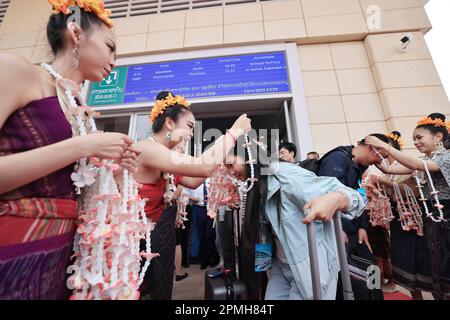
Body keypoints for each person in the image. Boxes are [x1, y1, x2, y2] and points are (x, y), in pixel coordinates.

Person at [0, 1, 138, 300]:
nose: (115, 60)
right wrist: (84, 146)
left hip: (62, 255)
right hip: (14, 245)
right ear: (76, 33)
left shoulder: (79, 113)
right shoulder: (18, 71)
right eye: (110, 47)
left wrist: (109, 165)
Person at [133, 91, 251, 300]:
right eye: (189, 126)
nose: (190, 133)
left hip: (152, 238)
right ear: (169, 123)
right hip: (132, 241)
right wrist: (233, 132)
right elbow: (202, 166)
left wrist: (224, 163)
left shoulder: (167, 158)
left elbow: (195, 179)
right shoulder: (147, 148)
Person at [226, 154, 365, 300]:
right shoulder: (255, 183)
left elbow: (354, 198)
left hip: (308, 267)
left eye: (231, 165)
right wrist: (264, 269)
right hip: (280, 267)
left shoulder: (285, 174)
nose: (231, 173)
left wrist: (336, 199)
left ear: (248, 155)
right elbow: (264, 230)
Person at [366, 113, 450, 300]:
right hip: (431, 215)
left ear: (438, 137)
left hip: (445, 214)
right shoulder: (428, 158)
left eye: (419, 137)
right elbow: (389, 169)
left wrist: (385, 145)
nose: (416, 142)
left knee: (444, 266)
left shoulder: (445, 157)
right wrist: (376, 154)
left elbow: (417, 165)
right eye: (414, 139)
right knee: (433, 266)